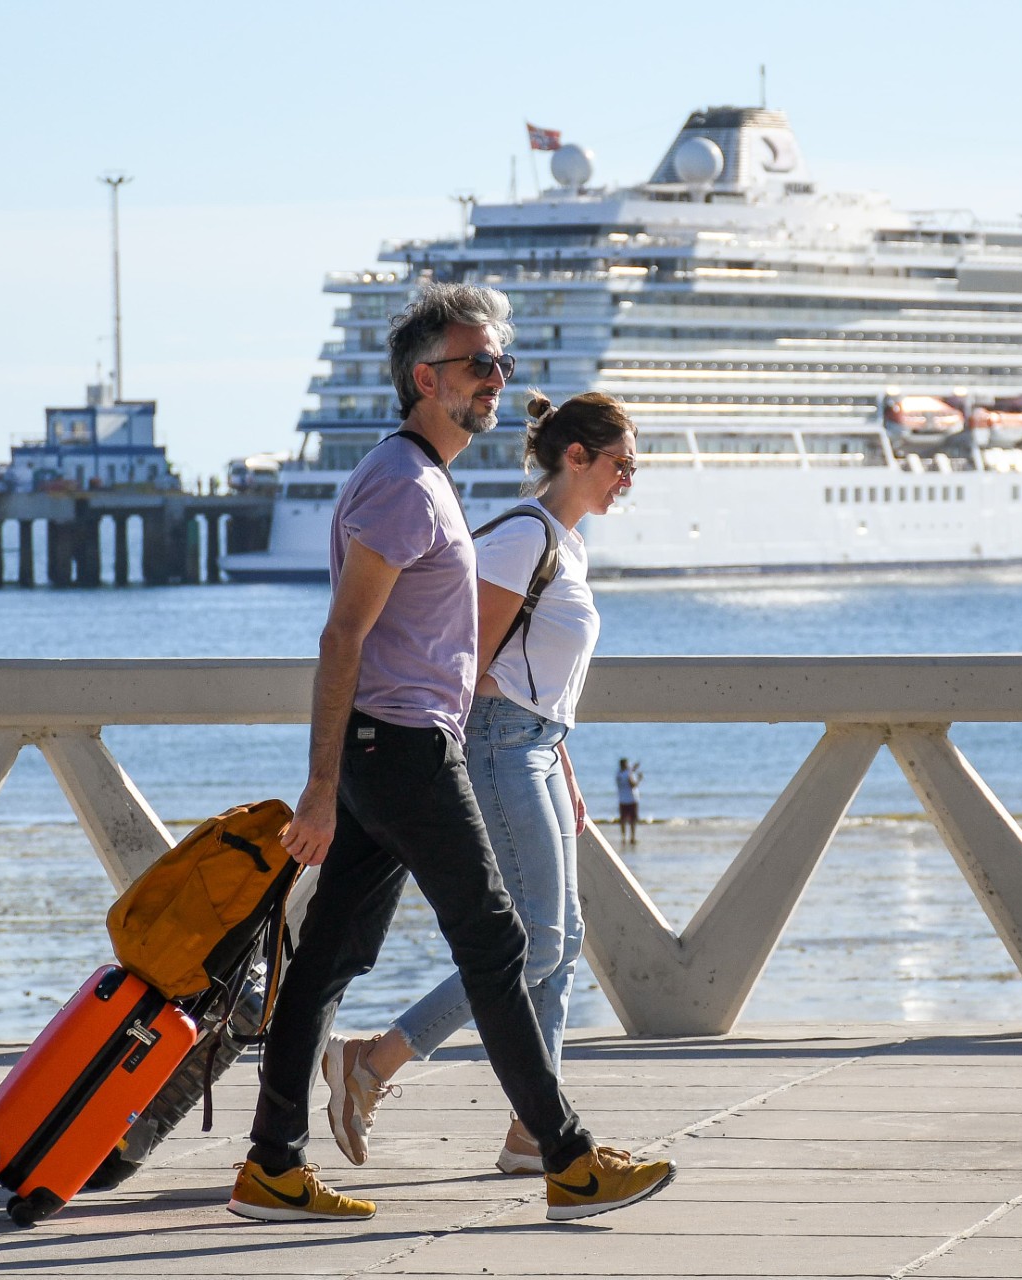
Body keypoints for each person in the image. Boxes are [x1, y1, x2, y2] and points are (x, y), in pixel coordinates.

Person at [225, 283, 673, 1224]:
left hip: (392, 747)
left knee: (328, 958)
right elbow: (341, 637)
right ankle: (567, 1160)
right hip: (403, 750)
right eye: (478, 364)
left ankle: (272, 1165)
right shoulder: (402, 482)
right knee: (500, 942)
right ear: (426, 379)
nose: (496, 379)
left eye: (501, 363)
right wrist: (319, 786)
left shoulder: (421, 477)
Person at [324, 389, 636, 1177]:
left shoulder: (566, 543)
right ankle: (374, 1060)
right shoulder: (521, 539)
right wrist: (455, 766)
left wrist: (563, 764)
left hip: (538, 746)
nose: (628, 481)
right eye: (621, 464)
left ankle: (534, 1130)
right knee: (532, 942)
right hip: (498, 746)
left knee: (564, 942)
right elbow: (466, 667)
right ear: (576, 457)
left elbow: (539, 678)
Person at [616, 758, 643, 846]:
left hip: (622, 799)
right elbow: (632, 785)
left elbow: (631, 769)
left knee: (623, 820)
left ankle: (623, 838)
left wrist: (634, 767)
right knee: (633, 820)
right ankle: (632, 838)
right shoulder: (628, 774)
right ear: (625, 764)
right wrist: (639, 779)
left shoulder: (618, 774)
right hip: (631, 799)